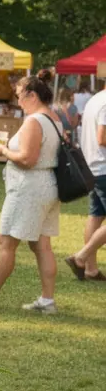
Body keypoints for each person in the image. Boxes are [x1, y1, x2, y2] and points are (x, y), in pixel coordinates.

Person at [0, 76, 61, 314]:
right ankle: (47, 300)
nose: (18, 101)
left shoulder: (34, 121)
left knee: (6, 242)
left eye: (19, 96)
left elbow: (27, 158)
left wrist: (2, 150)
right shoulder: (55, 119)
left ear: (32, 95)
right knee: (42, 245)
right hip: (48, 186)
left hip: (29, 189)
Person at [65, 83, 106, 282]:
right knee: (95, 216)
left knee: (95, 216)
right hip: (104, 167)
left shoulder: (94, 99)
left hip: (92, 167)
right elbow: (102, 137)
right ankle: (81, 258)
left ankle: (91, 269)